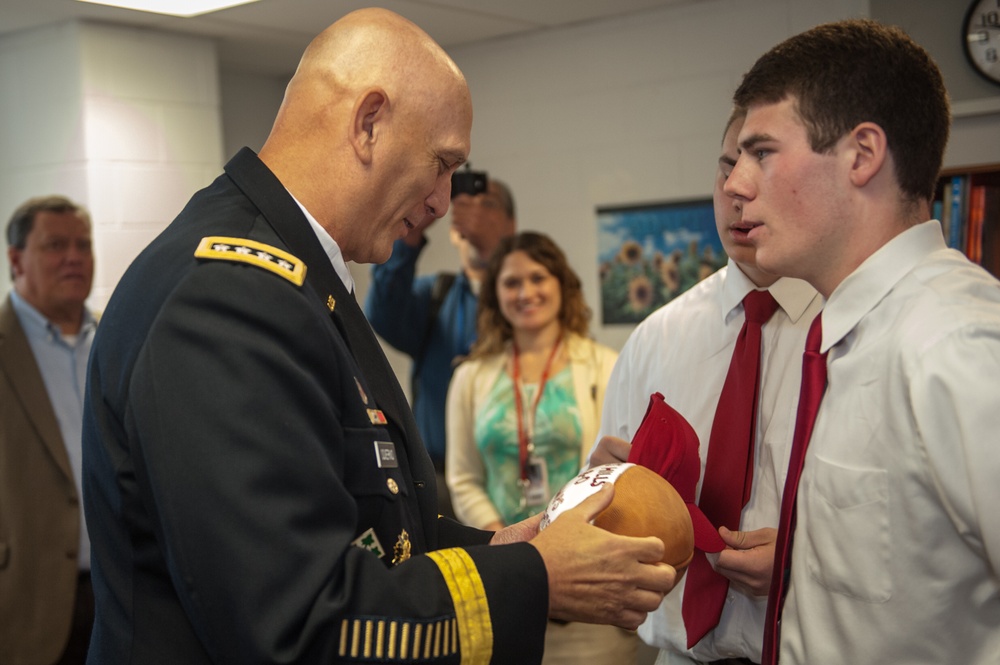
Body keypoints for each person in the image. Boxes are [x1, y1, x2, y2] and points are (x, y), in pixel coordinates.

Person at [82, 8, 677, 664]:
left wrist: (534, 541)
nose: (445, 201)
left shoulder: (297, 276)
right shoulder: (231, 295)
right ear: (369, 123)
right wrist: (540, 577)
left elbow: (384, 532)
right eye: (442, 163)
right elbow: (299, 619)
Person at [725, 18, 1000, 664]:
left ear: (862, 154)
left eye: (762, 153)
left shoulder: (954, 344)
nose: (736, 184)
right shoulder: (841, 337)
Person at [589, 108, 821, 664]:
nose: (737, 192)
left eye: (762, 165)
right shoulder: (655, 339)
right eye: (726, 167)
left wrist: (803, 565)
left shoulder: (848, 333)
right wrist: (602, 490)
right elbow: (602, 514)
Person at [446, 231, 636, 663]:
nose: (526, 292)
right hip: (501, 591)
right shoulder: (470, 378)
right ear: (495, 295)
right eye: (511, 283)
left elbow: (620, 475)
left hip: (586, 597)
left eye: (538, 277)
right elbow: (462, 478)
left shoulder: (605, 365)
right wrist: (507, 546)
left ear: (561, 284)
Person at [365, 175, 516, 516]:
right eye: (466, 206)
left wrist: (497, 255)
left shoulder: (533, 300)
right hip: (440, 481)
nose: (475, 212)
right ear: (453, 231)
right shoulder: (436, 296)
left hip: (514, 478)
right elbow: (381, 313)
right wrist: (412, 228)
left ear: (512, 225)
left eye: (488, 205)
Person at [1, 195, 97, 664]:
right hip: (25, 604)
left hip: (123, 597)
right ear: (16, 259)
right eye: (56, 245)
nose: (75, 257)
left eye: (83, 244)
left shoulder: (118, 339)